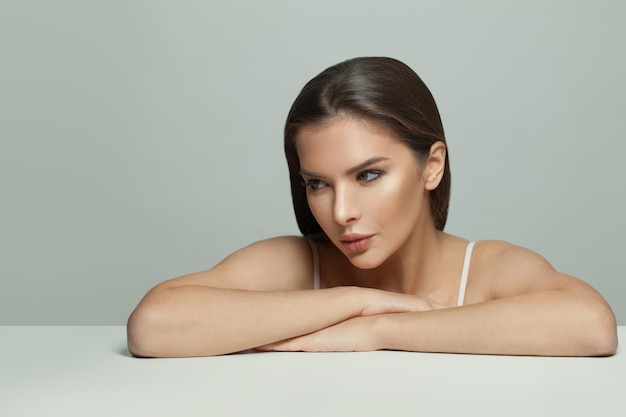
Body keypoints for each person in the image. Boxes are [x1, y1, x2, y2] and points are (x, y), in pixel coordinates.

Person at [127, 57, 617, 358]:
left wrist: (382, 329)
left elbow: (591, 325)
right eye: (317, 183)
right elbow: (153, 326)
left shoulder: (487, 270)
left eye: (368, 175)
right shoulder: (300, 265)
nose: (341, 211)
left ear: (432, 166)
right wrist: (357, 301)